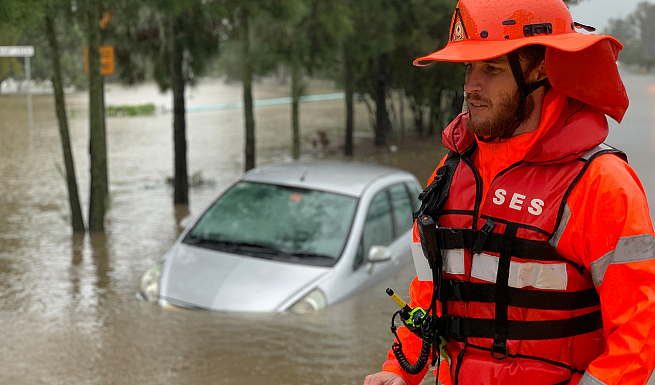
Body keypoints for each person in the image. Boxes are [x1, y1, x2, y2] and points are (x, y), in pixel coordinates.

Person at [364, 0, 655, 384]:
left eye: (491, 68)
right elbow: (430, 292)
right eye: (469, 68)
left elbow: (639, 333)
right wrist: (401, 371)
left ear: (539, 70)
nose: (471, 87)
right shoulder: (453, 171)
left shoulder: (601, 184)